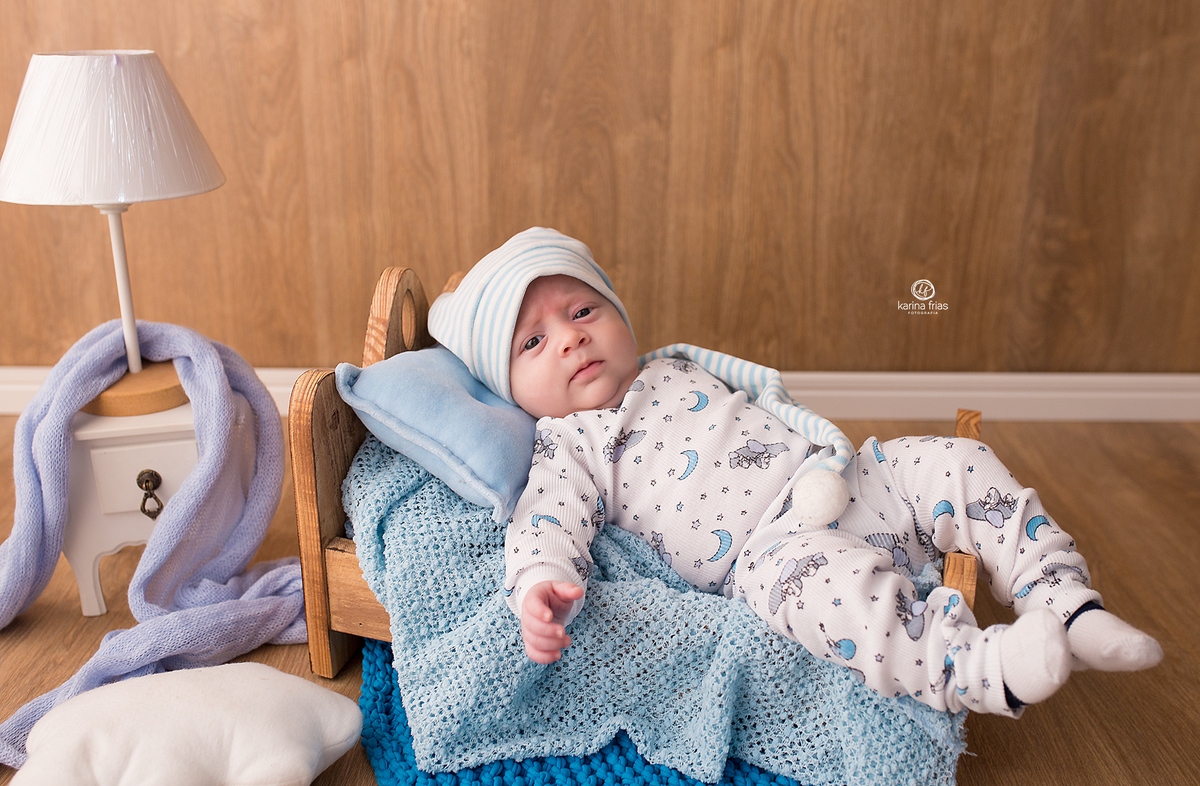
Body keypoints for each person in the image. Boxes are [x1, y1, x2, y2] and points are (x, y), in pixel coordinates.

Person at [427, 227, 1163, 717]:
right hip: (774, 552)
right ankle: (982, 666)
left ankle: (1065, 601)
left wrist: (847, 460)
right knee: (840, 603)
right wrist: (538, 588)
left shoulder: (677, 365)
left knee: (955, 459)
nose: (570, 338)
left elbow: (771, 402)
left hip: (844, 477)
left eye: (584, 308)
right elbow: (545, 525)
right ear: (509, 391)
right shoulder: (570, 445)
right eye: (532, 340)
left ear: (621, 314)